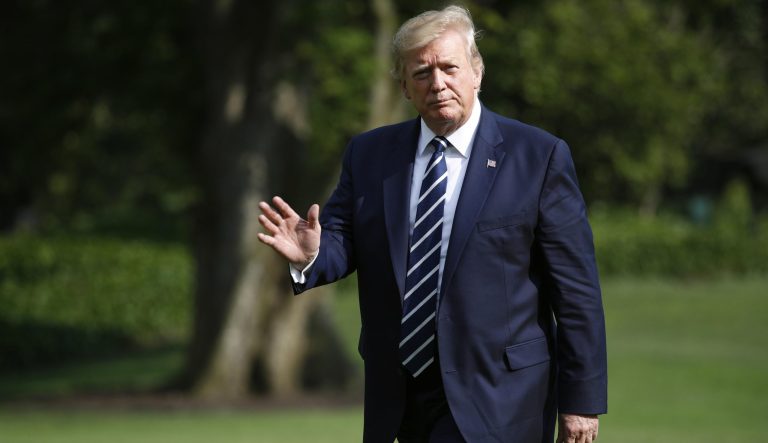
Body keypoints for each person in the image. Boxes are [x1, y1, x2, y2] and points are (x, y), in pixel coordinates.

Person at [258, 5, 606, 443]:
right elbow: (344, 240)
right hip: (399, 397)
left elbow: (576, 293)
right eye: (422, 73)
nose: (437, 83)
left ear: (476, 72)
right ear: (404, 86)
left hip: (499, 399)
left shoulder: (538, 156)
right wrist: (312, 256)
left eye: (449, 67)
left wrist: (581, 403)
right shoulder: (370, 155)